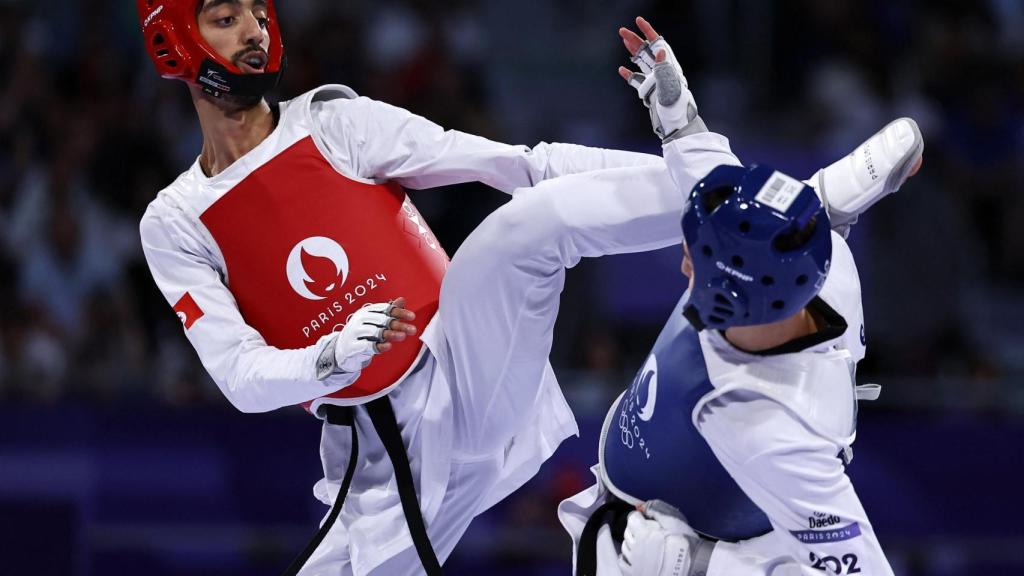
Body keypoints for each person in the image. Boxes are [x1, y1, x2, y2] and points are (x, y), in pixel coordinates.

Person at [135, 3, 914, 575]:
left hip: (467, 363)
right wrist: (326, 358)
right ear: (172, 41)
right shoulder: (175, 220)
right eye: (224, 18)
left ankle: (781, 208)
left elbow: (520, 165)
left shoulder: (333, 122)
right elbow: (238, 377)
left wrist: (684, 139)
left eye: (255, 12)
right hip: (380, 461)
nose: (255, 31)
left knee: (527, 225)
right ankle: (776, 211)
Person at [557, 18, 923, 576]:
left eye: (694, 254)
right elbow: (739, 188)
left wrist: (704, 564)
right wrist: (676, 114)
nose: (682, 258)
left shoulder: (774, 434)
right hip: (624, 492)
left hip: (700, 548)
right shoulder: (811, 255)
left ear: (735, 296)